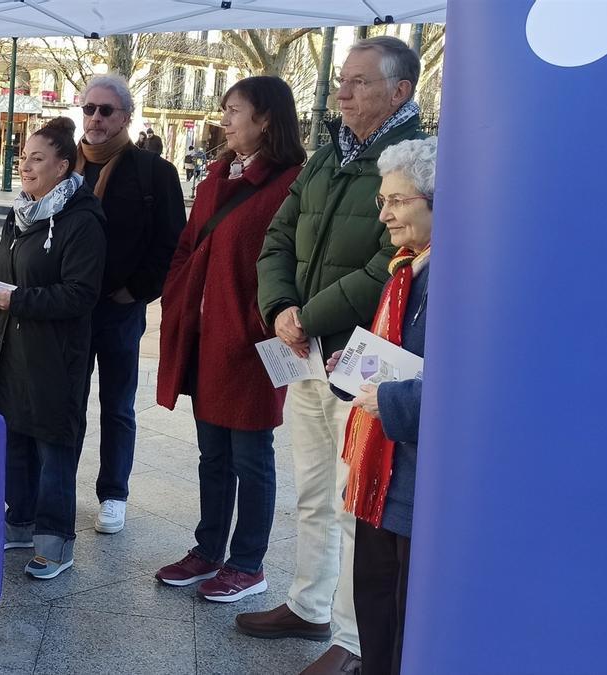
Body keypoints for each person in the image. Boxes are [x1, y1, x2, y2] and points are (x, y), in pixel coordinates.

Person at [245, 36, 428, 675]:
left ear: (399, 91)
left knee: (359, 502)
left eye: (357, 82)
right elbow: (278, 238)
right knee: (315, 492)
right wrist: (280, 311)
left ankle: (351, 642)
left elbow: (391, 261)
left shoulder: (413, 162)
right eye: (341, 81)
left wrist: (308, 317)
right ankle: (308, 603)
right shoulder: (328, 156)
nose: (340, 92)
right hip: (306, 352)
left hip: (363, 360)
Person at [155, 76, 306, 602]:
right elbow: (188, 245)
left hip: (253, 341)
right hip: (204, 335)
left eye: (233, 109)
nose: (224, 118)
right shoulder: (216, 175)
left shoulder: (292, 183)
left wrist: (257, 322)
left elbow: (288, 264)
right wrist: (179, 297)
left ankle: (248, 563)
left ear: (265, 118)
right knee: (211, 452)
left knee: (251, 453)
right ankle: (207, 550)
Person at [0, 117, 107, 580]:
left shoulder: (81, 220)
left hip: (55, 356)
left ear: (63, 166)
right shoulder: (20, 212)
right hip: (10, 350)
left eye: (36, 159)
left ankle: (56, 542)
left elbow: (80, 293)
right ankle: (21, 521)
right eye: (23, 157)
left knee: (53, 448)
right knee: (14, 440)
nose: (25, 166)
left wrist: (18, 299)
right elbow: (7, 268)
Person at [324, 137, 435, 675]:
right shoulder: (406, 271)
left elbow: (470, 383)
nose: (385, 214)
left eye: (397, 201)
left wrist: (387, 397)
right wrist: (357, 365)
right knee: (375, 604)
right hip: (384, 478)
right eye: (382, 201)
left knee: (403, 619)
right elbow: (398, 353)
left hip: (419, 484)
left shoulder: (457, 278)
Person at [75, 74, 185, 535]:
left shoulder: (154, 171)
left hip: (120, 309)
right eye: (90, 109)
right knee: (64, 402)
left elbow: (171, 243)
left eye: (106, 110)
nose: (96, 118)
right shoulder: (65, 161)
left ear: (126, 116)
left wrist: (136, 291)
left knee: (118, 405)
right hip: (69, 309)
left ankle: (113, 493)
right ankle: (54, 490)